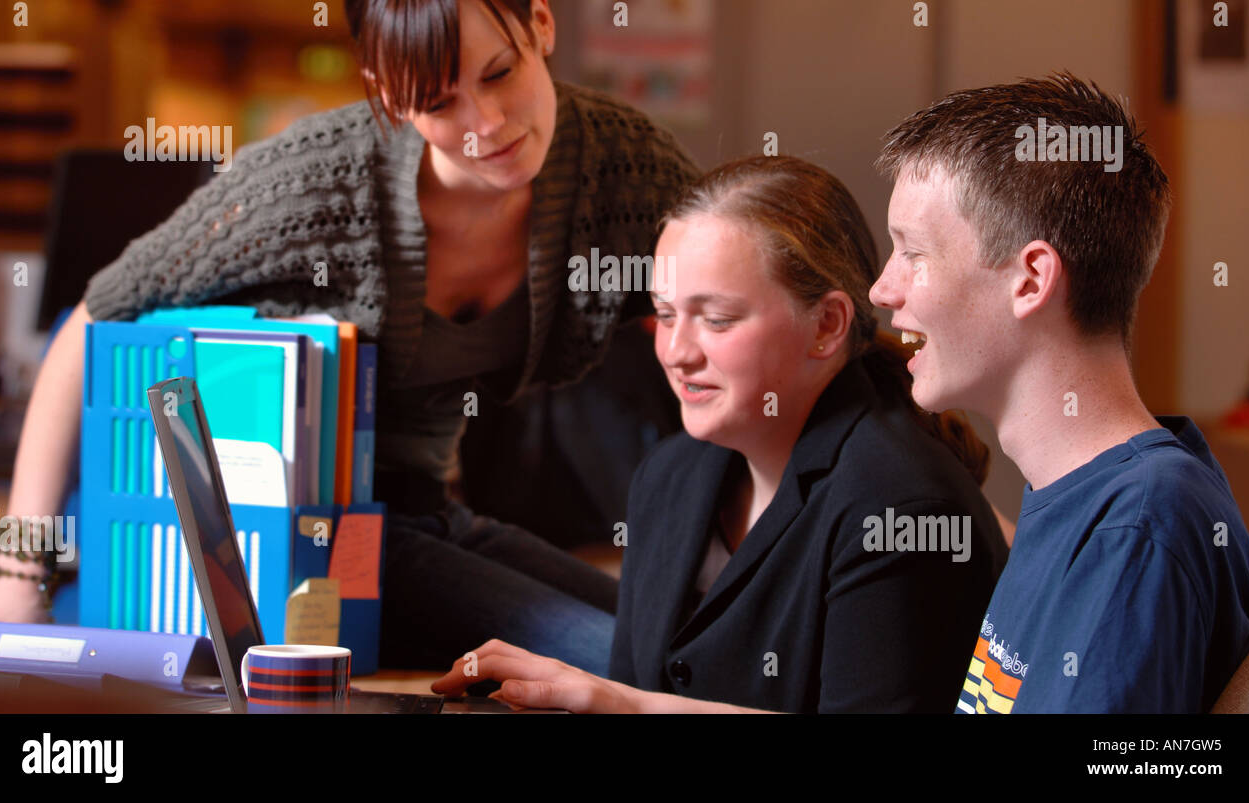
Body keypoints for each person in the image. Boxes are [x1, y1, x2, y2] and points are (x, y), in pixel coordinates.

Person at [0, 0, 700, 678]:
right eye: (438, 102)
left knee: (685, 641)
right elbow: (92, 318)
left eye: (500, 72)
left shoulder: (622, 165)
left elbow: (737, 293)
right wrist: (19, 573)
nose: (485, 124)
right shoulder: (315, 182)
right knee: (628, 664)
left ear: (541, 22)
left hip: (433, 514)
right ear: (388, 93)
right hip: (314, 537)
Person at [432, 156, 1009, 712]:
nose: (677, 353)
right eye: (665, 313)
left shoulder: (901, 507)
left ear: (827, 325)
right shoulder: (670, 475)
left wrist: (626, 706)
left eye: (717, 319)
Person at [867, 72, 1249, 713]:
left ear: (1030, 280)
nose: (884, 290)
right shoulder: (1086, 497)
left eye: (913, 253)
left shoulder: (1138, 526)